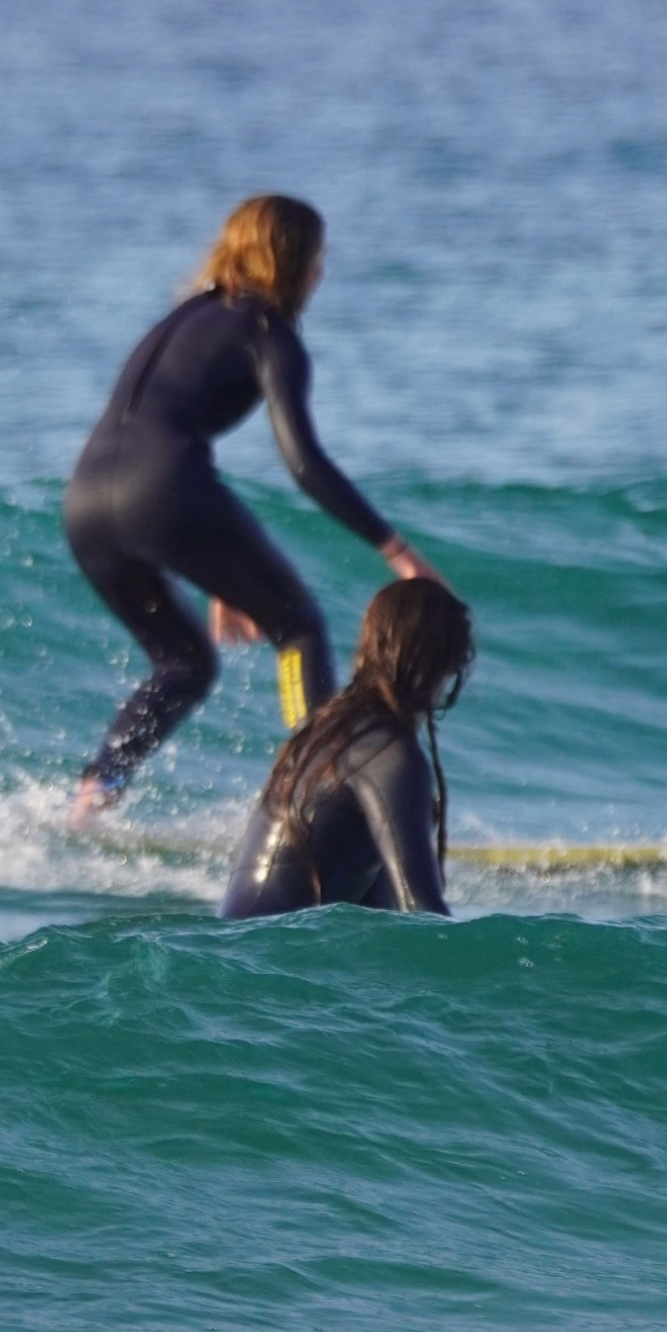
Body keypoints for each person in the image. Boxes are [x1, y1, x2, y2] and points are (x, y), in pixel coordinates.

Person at [64, 194, 440, 823]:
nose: (322, 271)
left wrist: (216, 568)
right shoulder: (268, 334)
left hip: (83, 500)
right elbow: (305, 464)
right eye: (317, 257)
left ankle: (94, 793)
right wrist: (397, 551)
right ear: (291, 260)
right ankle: (313, 795)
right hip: (165, 490)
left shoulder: (184, 318)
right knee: (299, 628)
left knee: (183, 663)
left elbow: (158, 432)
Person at [220, 578, 473, 919]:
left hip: (238, 948)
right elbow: (422, 911)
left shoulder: (330, 733)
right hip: (265, 955)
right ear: (445, 663)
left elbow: (383, 912)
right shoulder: (389, 755)